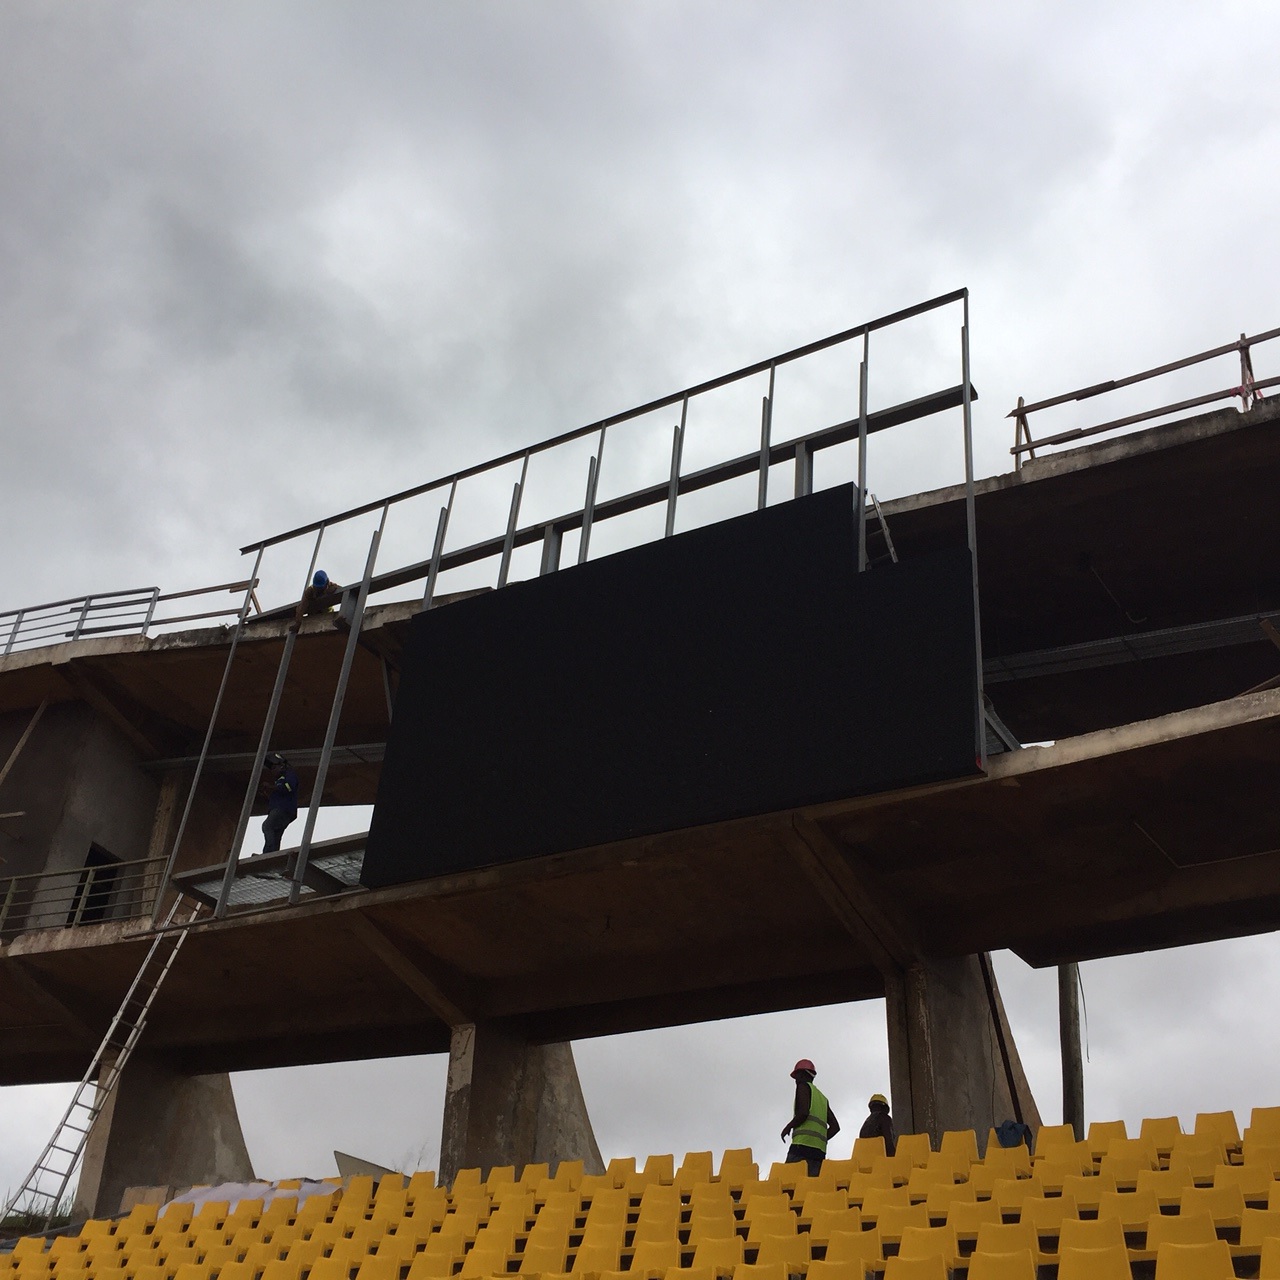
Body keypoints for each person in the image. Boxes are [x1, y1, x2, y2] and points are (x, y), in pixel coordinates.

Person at [780, 1058, 840, 1176]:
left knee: (788, 1185)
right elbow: (835, 1127)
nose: (796, 1081)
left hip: (801, 1148)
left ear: (802, 1075)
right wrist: (820, 1139)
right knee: (809, 1189)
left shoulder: (803, 1087)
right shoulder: (822, 1099)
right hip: (818, 1153)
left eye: (796, 1076)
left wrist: (788, 1127)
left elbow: (803, 1113)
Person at [261, 752, 300, 853]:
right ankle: (273, 855)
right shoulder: (279, 780)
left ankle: (268, 853)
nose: (272, 771)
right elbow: (279, 796)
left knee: (267, 826)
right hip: (284, 810)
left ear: (282, 766)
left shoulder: (289, 775)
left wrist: (270, 787)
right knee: (276, 833)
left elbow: (288, 787)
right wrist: (267, 794)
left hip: (283, 809)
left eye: (274, 768)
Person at [859, 1092, 897, 1156]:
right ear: (885, 1107)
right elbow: (888, 1140)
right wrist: (894, 1158)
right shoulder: (885, 1118)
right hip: (881, 1159)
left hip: (866, 1159)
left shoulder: (866, 1123)